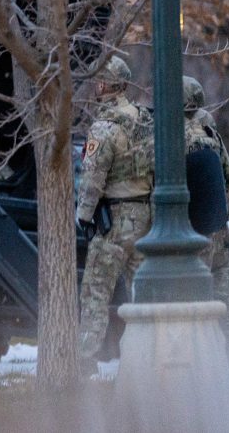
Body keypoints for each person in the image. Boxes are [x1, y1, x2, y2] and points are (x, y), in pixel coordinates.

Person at [76, 55, 154, 374]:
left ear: (108, 84)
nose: (96, 86)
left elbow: (93, 179)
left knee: (96, 290)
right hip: (146, 217)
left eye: (99, 81)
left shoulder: (105, 127)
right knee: (142, 293)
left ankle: (85, 361)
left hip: (115, 220)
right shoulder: (144, 120)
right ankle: (146, 358)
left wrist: (83, 216)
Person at [181, 76, 229, 369]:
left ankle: (203, 364)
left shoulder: (181, 139)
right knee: (225, 300)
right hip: (218, 226)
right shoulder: (212, 135)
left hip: (197, 230)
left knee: (195, 296)